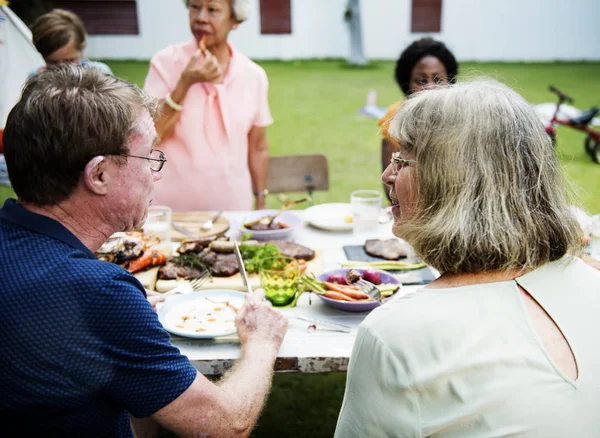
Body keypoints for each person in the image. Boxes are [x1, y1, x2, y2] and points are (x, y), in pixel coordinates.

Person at [0, 64, 288, 437]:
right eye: (150, 156)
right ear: (99, 174)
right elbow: (225, 425)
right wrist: (263, 340)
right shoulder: (98, 292)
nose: (157, 171)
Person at [335, 79, 600, 437]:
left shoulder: (394, 334)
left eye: (402, 160)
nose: (387, 174)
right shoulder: (592, 281)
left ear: (451, 183)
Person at [143, 0, 271, 212]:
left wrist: (260, 200)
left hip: (234, 212)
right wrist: (185, 83)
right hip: (171, 214)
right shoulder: (165, 62)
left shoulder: (253, 75)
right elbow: (152, 135)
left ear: (235, 20)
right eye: (194, 7)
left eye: (212, 10)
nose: (201, 17)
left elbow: (258, 147)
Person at [379, 38, 458, 195]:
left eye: (438, 79)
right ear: (407, 84)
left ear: (449, 81)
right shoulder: (395, 116)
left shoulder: (463, 116)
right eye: (421, 80)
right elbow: (390, 183)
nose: (430, 87)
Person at [30, 8, 112, 74]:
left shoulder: (100, 73)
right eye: (53, 62)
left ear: (82, 48)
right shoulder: (36, 76)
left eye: (69, 61)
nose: (61, 69)